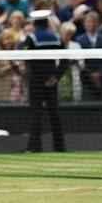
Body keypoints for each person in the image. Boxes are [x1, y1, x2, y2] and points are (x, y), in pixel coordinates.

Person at [23, 9, 66, 152]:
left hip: (36, 82)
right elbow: (66, 59)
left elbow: (24, 56)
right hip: (51, 82)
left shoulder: (31, 38)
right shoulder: (57, 38)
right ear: (47, 23)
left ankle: (34, 147)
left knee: (36, 114)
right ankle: (60, 147)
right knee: (55, 114)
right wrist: (56, 77)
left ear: (34, 24)